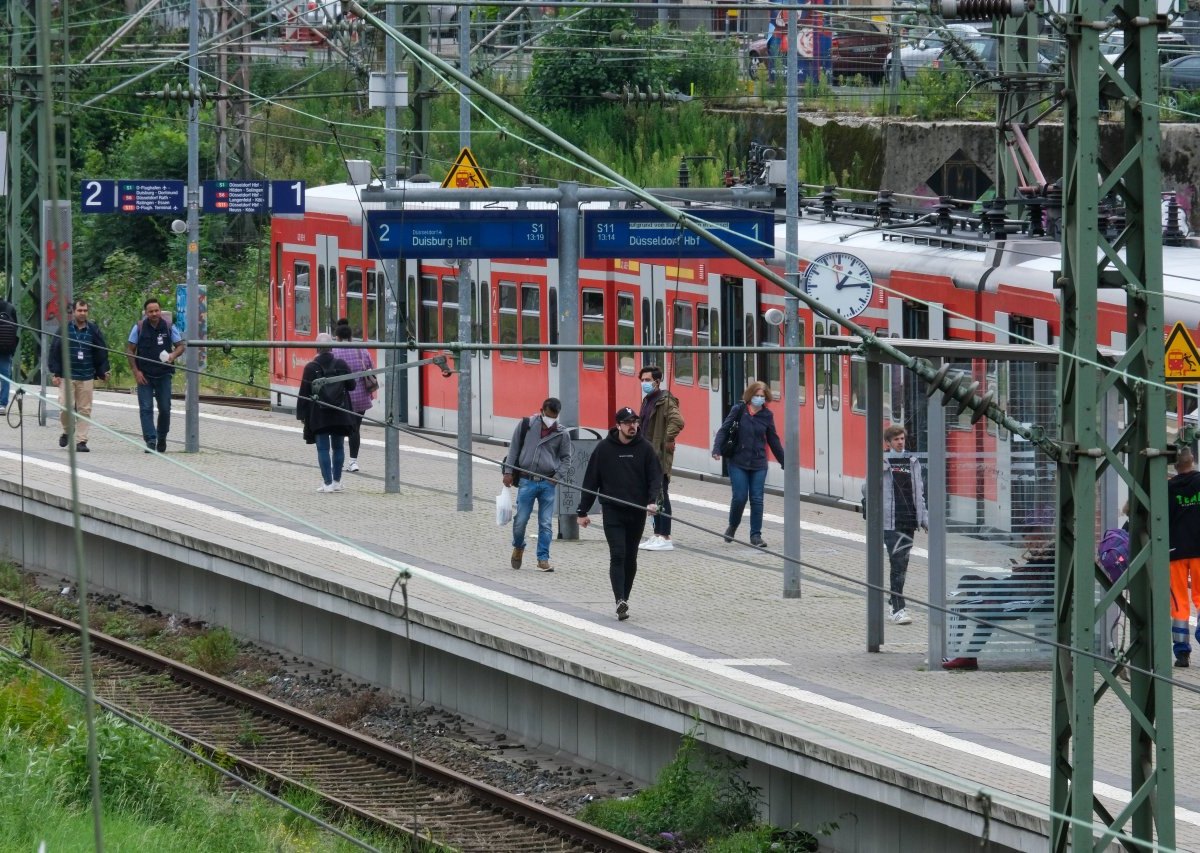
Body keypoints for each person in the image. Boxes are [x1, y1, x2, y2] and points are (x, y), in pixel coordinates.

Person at [577, 407, 663, 621]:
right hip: (612, 511)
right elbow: (591, 481)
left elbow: (655, 478)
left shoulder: (645, 449)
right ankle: (619, 600)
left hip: (637, 511)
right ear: (618, 425)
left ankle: (625, 597)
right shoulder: (604, 449)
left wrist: (652, 501)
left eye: (635, 422)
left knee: (631, 556)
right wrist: (582, 511)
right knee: (618, 554)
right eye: (628, 423)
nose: (633, 426)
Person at [942, 542, 1056, 671]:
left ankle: (968, 657)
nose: (1028, 541)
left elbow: (1040, 588)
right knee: (968, 581)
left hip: (1036, 598)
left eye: (1030, 536)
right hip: (1021, 589)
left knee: (990, 611)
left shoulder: (1055, 557)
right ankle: (957, 653)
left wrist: (1027, 573)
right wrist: (1022, 572)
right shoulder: (1047, 551)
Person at [866, 424, 929, 625]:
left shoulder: (913, 461)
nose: (900, 442)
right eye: (896, 439)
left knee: (902, 563)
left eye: (902, 438)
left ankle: (894, 599)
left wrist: (924, 518)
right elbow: (865, 488)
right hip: (890, 522)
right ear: (888, 442)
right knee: (898, 563)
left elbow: (919, 492)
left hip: (908, 520)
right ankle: (897, 608)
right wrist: (880, 471)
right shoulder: (882, 461)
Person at [502, 397, 574, 572]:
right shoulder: (526, 424)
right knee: (520, 521)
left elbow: (566, 459)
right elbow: (514, 449)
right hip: (527, 481)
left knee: (546, 523)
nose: (551, 419)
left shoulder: (562, 433)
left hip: (548, 483)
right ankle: (518, 546)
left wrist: (557, 476)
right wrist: (508, 471)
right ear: (541, 411)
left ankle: (543, 558)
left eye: (555, 416)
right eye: (549, 415)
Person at [711, 381, 785, 548]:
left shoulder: (767, 415)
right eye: (756, 395)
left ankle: (756, 535)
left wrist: (784, 461)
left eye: (762, 396)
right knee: (740, 497)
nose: (759, 399)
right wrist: (717, 449)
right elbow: (724, 429)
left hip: (759, 463)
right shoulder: (739, 410)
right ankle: (733, 525)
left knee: (757, 499)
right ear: (750, 395)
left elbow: (773, 439)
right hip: (738, 461)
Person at [48, 299, 111, 452]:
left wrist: (103, 370)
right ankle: (68, 431)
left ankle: (81, 441)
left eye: (85, 310)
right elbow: (55, 351)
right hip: (67, 376)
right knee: (65, 407)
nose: (82, 313)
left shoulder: (93, 330)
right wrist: (55, 372)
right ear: (74, 312)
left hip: (86, 375)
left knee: (85, 409)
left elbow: (101, 351)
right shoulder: (65, 329)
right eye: (80, 310)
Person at [297, 332, 356, 493]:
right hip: (339, 412)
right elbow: (352, 386)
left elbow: (304, 392)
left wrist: (301, 415)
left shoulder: (311, 367)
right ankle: (337, 482)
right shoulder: (341, 364)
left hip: (319, 414)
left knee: (323, 448)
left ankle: (327, 483)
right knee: (338, 447)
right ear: (331, 347)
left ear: (316, 348)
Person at [125, 297, 185, 453]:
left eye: (156, 310)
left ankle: (162, 437)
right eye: (150, 311)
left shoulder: (169, 327)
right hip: (144, 375)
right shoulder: (138, 328)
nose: (154, 313)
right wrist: (136, 372)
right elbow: (130, 350)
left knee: (165, 408)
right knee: (146, 408)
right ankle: (150, 441)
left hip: (164, 375)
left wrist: (173, 355)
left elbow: (180, 346)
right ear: (146, 313)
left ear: (160, 311)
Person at [636, 364, 684, 552]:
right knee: (653, 494)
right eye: (642, 380)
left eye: (647, 380)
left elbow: (678, 421)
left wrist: (666, 439)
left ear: (657, 381)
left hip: (659, 454)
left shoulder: (665, 400)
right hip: (648, 453)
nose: (644, 383)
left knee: (661, 493)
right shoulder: (648, 399)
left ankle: (665, 536)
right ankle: (656, 534)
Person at [1168, 446, 1200, 667]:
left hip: (1175, 552)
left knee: (1179, 602)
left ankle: (1182, 654)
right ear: (1194, 461)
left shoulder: (1168, 488)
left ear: (1175, 466)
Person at [332, 319, 375, 473]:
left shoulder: (334, 351)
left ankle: (339, 462)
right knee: (355, 429)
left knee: (338, 430)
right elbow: (371, 368)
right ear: (350, 336)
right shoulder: (361, 350)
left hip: (341, 398)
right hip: (361, 397)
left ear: (337, 336)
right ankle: (353, 462)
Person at [0, 295, 18, 415]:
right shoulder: (10, 307)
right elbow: (16, 328)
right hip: (5, 348)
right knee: (5, 377)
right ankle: (2, 404)